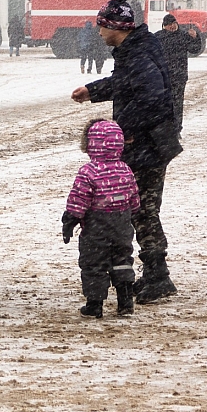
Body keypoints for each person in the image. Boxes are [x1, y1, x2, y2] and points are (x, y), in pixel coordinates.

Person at [71, 0, 181, 304]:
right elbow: (125, 85)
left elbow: (152, 98)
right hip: (150, 142)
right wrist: (92, 91)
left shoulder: (138, 54)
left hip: (148, 145)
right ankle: (153, 272)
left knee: (143, 210)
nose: (98, 32)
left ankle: (157, 275)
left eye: (100, 26)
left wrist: (126, 132)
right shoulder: (133, 49)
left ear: (114, 27)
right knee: (142, 209)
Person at [61, 119, 139, 319]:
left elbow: (79, 198)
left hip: (96, 224)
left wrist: (70, 219)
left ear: (90, 144)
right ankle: (125, 300)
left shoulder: (88, 172)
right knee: (122, 258)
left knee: (94, 262)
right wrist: (134, 213)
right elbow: (133, 196)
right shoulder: (125, 169)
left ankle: (95, 304)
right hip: (122, 222)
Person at [153, 14, 201, 133]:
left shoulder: (183, 35)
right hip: (162, 77)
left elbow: (195, 49)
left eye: (174, 24)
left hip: (179, 76)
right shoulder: (157, 37)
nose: (172, 27)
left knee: (177, 104)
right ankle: (164, 129)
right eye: (169, 25)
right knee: (163, 104)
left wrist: (195, 37)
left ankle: (176, 129)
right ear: (164, 26)